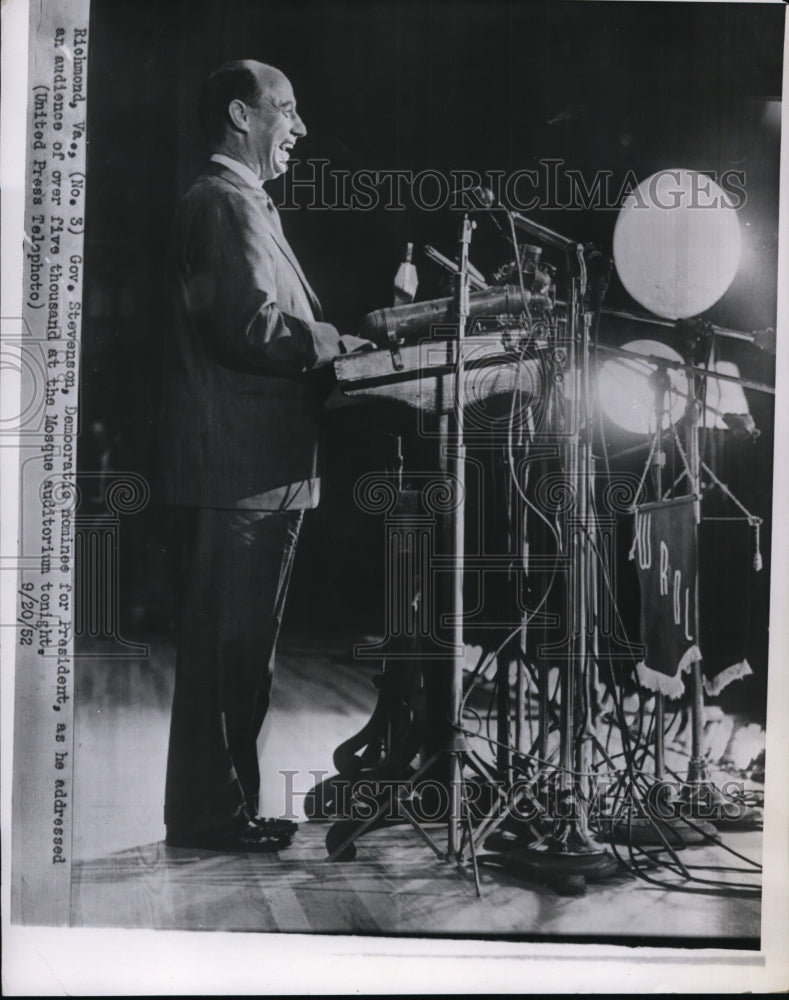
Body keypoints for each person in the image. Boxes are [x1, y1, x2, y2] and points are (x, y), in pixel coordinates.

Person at [159, 60, 371, 852]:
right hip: (239, 471)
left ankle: (226, 810)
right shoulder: (222, 202)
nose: (300, 128)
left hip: (258, 472)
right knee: (226, 654)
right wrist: (333, 342)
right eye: (287, 110)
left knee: (242, 655)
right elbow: (248, 324)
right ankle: (211, 817)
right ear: (240, 116)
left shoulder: (236, 202)